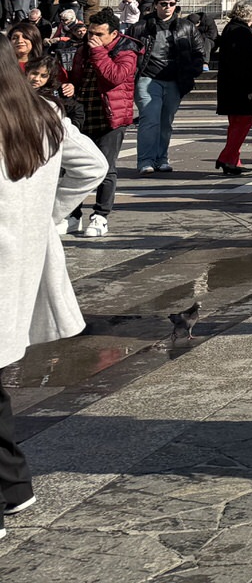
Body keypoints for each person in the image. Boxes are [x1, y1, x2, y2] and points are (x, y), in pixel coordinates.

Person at [0, 59, 109, 527]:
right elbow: (95, 166)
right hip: (18, 264)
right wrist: (49, 215)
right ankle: (13, 485)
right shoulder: (44, 115)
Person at [55, 9, 140, 237]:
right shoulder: (83, 49)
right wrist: (71, 86)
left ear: (114, 34)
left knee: (106, 167)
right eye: (90, 33)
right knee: (73, 165)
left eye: (99, 34)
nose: (93, 38)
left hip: (110, 116)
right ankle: (72, 215)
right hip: (84, 113)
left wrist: (99, 52)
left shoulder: (126, 50)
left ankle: (100, 216)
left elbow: (114, 77)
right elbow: (76, 77)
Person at [130, 0, 205, 174]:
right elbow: (129, 51)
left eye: (171, 4)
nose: (168, 7)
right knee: (150, 118)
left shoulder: (187, 27)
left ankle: (161, 158)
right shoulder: (141, 27)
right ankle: (145, 160)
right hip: (148, 77)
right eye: (163, 4)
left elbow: (199, 51)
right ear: (155, 5)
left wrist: (194, 69)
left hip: (175, 79)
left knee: (166, 121)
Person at [212, 1, 252, 175]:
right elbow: (244, 63)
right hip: (241, 87)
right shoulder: (240, 31)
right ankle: (225, 157)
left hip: (232, 86)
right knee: (243, 122)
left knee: (236, 124)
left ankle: (233, 160)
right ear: (249, 14)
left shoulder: (234, 28)